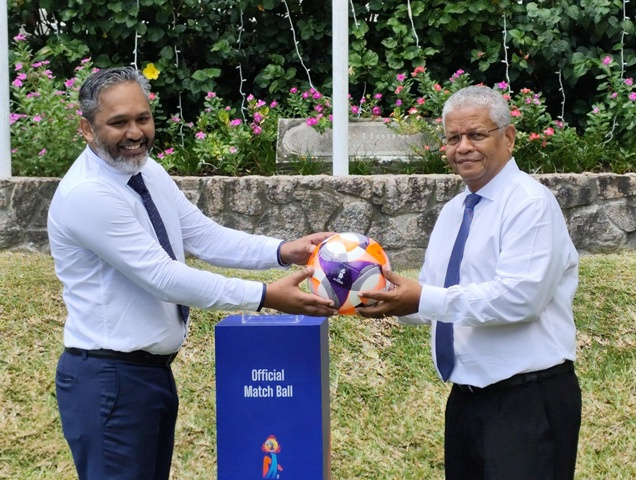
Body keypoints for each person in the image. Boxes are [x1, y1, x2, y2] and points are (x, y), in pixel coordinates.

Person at [47, 66, 337, 480]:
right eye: (119, 122)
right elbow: (164, 277)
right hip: (109, 381)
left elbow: (202, 235)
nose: (135, 132)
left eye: (142, 118)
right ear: (87, 129)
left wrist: (282, 251)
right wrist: (264, 296)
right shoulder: (88, 195)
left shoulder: (145, 170)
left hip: (148, 376)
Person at [359, 85, 581, 480]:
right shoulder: (452, 212)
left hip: (526, 402)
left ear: (508, 137)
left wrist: (423, 298)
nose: (463, 147)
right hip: (465, 402)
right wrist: (383, 300)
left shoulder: (530, 203)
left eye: (476, 135)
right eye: (452, 138)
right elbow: (433, 296)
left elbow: (519, 298)